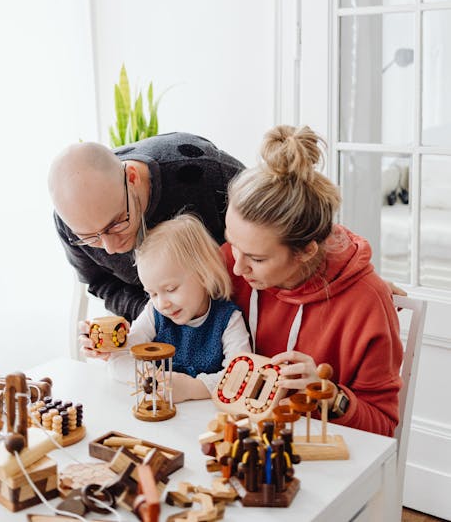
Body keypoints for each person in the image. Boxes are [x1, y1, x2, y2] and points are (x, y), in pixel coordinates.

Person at [222, 124, 403, 437]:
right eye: (232, 243)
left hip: (313, 463)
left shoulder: (367, 303)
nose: (237, 268)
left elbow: (383, 428)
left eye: (257, 258)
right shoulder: (229, 263)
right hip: (232, 438)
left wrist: (326, 393)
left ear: (305, 251)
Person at [48, 132, 244, 321]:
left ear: (132, 178)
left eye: (116, 223)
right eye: (91, 237)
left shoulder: (207, 174)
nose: (110, 247)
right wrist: (152, 317)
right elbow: (101, 282)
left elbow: (265, 234)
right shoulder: (70, 224)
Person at [105, 214, 251, 403]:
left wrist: (191, 388)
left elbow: (241, 374)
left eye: (170, 289)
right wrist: (152, 378)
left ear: (204, 275)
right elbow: (117, 361)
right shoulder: (154, 313)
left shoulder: (228, 319)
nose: (162, 303)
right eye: (153, 294)